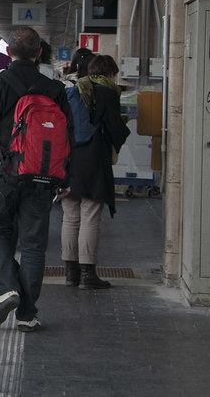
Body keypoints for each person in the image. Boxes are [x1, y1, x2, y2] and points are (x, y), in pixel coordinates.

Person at [0, 26, 73, 333]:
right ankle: (27, 313)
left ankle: (7, 287)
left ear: (8, 52)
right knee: (34, 245)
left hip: (1, 173)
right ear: (38, 53)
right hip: (43, 176)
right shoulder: (55, 89)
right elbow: (66, 139)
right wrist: (65, 178)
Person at [60, 54, 130, 289]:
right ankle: (88, 273)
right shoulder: (108, 93)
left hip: (69, 158)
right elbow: (113, 129)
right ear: (110, 74)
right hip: (93, 158)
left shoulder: (73, 90)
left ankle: (71, 273)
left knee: (70, 215)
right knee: (90, 213)